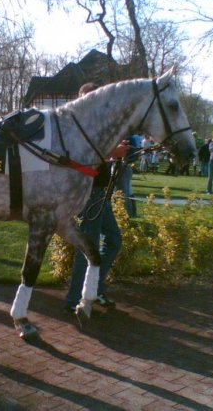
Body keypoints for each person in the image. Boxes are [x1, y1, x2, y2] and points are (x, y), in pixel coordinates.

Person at [65, 82, 130, 313]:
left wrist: (113, 153)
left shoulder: (94, 123)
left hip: (99, 192)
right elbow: (83, 155)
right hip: (88, 193)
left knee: (113, 240)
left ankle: (94, 289)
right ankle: (75, 298)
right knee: (88, 246)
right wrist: (113, 152)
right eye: (88, 96)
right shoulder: (77, 123)